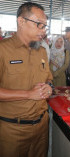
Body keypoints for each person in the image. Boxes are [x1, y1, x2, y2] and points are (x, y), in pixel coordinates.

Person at [0, 2, 53, 157]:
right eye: (39, 24)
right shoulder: (3, 50)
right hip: (12, 131)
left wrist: (49, 87)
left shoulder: (41, 51)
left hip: (41, 128)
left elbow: (49, 78)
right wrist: (28, 94)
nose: (43, 31)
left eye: (45, 26)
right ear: (21, 21)